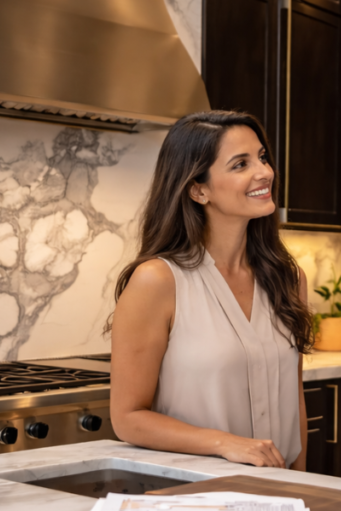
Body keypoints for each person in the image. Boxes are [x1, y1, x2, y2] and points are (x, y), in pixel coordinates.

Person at [109, 111, 312, 470]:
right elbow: (128, 417)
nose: (265, 172)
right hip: (195, 497)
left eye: (262, 157)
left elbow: (294, 402)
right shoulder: (157, 281)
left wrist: (302, 485)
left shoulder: (287, 278)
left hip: (279, 497)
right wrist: (225, 444)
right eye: (240, 164)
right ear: (197, 189)